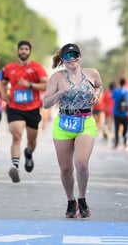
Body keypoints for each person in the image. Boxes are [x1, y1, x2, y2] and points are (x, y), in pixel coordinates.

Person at [43, 43, 102, 218]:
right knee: (66, 169)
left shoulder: (92, 73)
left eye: (74, 55)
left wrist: (97, 95)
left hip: (85, 121)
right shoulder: (57, 77)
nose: (72, 59)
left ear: (80, 56)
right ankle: (71, 201)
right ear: (62, 59)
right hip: (64, 123)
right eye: (67, 56)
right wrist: (59, 94)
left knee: (82, 164)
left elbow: (99, 86)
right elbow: (45, 103)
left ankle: (82, 198)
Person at [0, 41, 48, 183]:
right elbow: (2, 83)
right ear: (17, 51)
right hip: (15, 107)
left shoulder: (36, 67)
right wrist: (4, 94)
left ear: (29, 52)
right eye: (21, 49)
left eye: (26, 49)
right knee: (16, 135)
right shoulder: (9, 68)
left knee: (31, 141)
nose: (24, 51)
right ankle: (15, 166)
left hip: (33, 108)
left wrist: (30, 85)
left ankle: (28, 153)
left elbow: (46, 84)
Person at [111, 78, 128, 149]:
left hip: (117, 113)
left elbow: (112, 98)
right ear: (125, 83)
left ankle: (116, 143)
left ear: (120, 83)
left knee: (116, 129)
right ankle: (125, 143)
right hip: (126, 113)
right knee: (125, 128)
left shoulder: (116, 91)